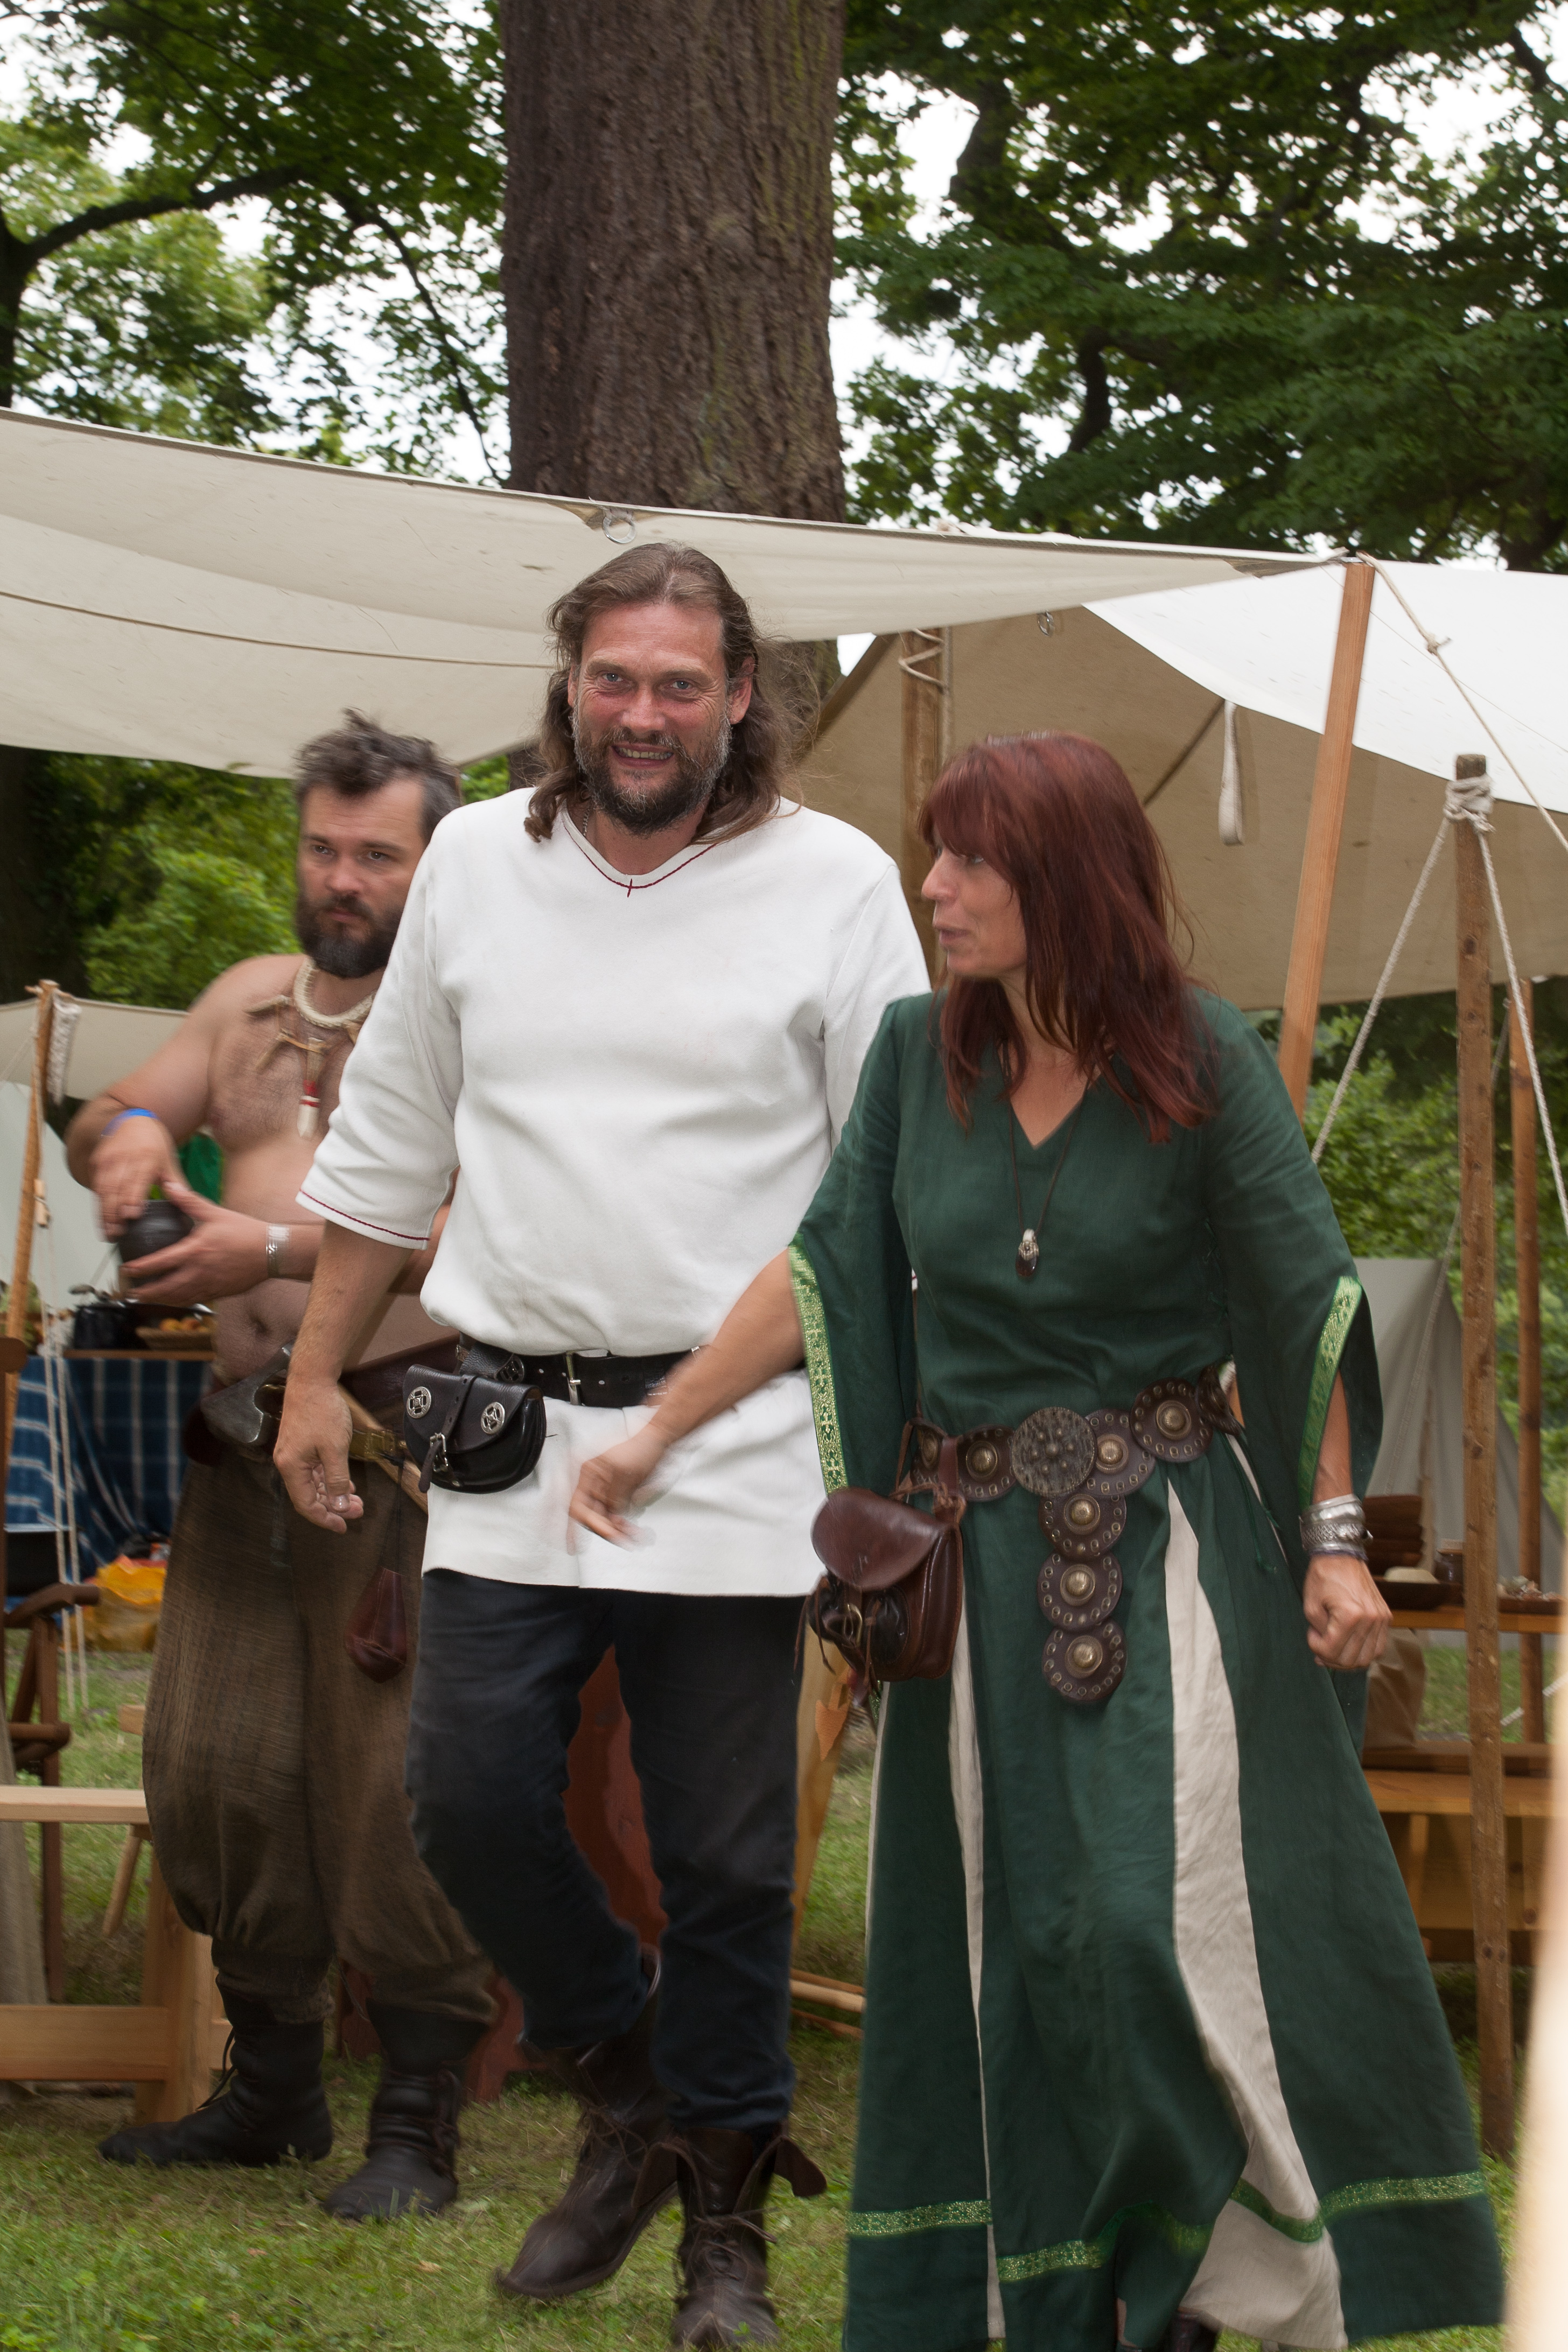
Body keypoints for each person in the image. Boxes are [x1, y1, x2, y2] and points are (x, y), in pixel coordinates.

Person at [568, 733, 1505, 2352]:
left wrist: (1337, 1541)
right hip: (980, 1577)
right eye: (934, 854)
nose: (933, 888)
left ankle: (1215, 2269)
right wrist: (659, 1429)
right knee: (1029, 1943)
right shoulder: (914, 1057)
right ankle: (1094, 2288)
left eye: (970, 860)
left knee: (1161, 1930)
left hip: (1177, 1555)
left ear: (1062, 880)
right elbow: (821, 1272)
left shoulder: (1201, 1057)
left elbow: (1301, 1299)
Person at [272, 543, 928, 2345]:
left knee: (727, 1859)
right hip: (509, 1429)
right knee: (470, 1796)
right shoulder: (479, 863)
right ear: (571, 684)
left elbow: (874, 1193)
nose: (645, 715)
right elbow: (389, 1146)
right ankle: (634, 2087)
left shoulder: (836, 883)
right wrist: (318, 1375)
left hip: (738, 1441)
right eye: (615, 679)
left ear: (741, 696)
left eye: (681, 684)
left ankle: (726, 2240)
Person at [66, 715, 494, 2218]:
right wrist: (125, 1139)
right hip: (240, 1447)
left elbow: (489, 1238)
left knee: (393, 1781)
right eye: (323, 846)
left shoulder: (480, 1017)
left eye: (378, 853)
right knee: (221, 1764)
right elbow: (120, 1106)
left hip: (399, 1451)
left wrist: (267, 1247)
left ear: (437, 862)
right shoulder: (248, 1001)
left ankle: (419, 2124)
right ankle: (274, 2092)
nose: (343, 877)